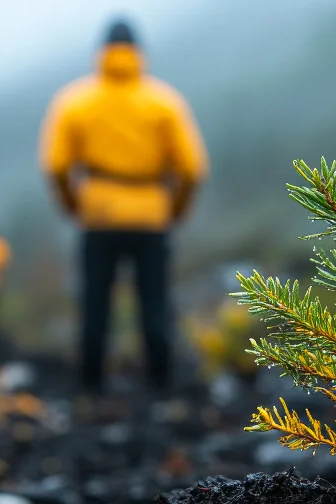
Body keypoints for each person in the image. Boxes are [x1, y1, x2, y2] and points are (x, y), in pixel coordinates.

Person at [39, 18, 209, 398]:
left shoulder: (74, 100)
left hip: (97, 215)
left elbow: (55, 165)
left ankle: (90, 385)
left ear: (101, 52)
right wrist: (174, 210)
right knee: (155, 300)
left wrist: (74, 204)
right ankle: (161, 384)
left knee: (95, 300)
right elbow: (192, 168)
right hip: (151, 215)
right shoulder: (164, 101)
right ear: (138, 52)